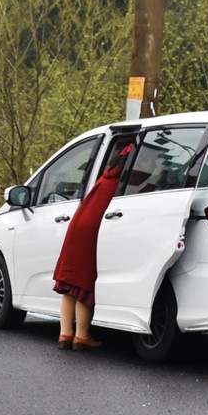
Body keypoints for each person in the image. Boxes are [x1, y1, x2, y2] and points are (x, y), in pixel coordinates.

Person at [52, 137, 135, 349]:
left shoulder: (104, 178)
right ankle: (81, 336)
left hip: (77, 228)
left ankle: (65, 335)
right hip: (93, 231)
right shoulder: (124, 183)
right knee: (84, 285)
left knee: (70, 286)